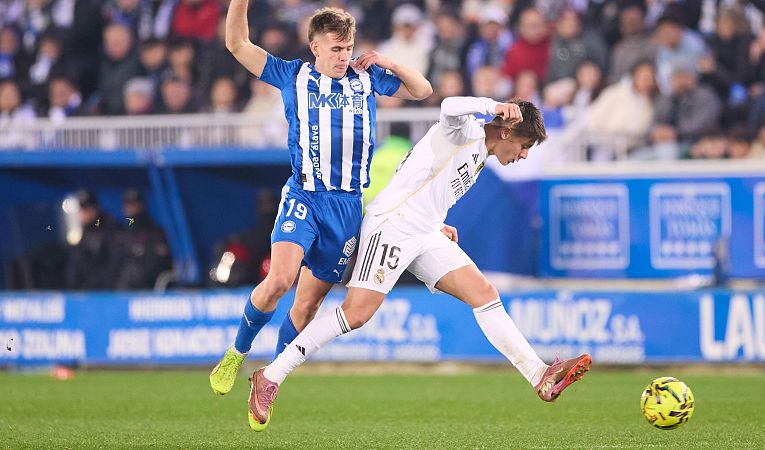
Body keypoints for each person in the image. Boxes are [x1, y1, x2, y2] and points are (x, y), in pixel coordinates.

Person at [245, 97, 592, 431]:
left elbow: (418, 176)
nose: (524, 155)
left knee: (484, 293)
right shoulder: (466, 130)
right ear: (506, 130)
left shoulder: (479, 154)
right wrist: (491, 106)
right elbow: (447, 106)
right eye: (524, 145)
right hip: (393, 227)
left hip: (424, 232)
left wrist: (435, 220)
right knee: (356, 314)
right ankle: (270, 375)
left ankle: (538, 373)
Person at [209, 4, 432, 397]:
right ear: (315, 46)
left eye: (348, 48)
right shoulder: (292, 75)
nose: (344, 56)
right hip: (305, 196)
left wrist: (387, 61)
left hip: (347, 208)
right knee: (279, 279)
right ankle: (235, 352)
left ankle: (270, 380)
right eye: (336, 49)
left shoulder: (367, 79)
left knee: (307, 307)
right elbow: (237, 43)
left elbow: (423, 90)